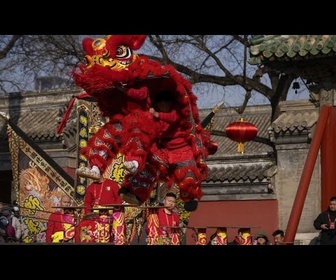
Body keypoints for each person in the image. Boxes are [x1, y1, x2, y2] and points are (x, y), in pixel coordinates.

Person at [81, 178, 126, 244]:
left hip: (112, 212)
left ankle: (119, 241)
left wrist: (114, 208)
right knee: (84, 224)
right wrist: (89, 214)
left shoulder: (112, 184)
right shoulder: (91, 187)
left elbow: (118, 198)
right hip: (95, 213)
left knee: (119, 218)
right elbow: (87, 202)